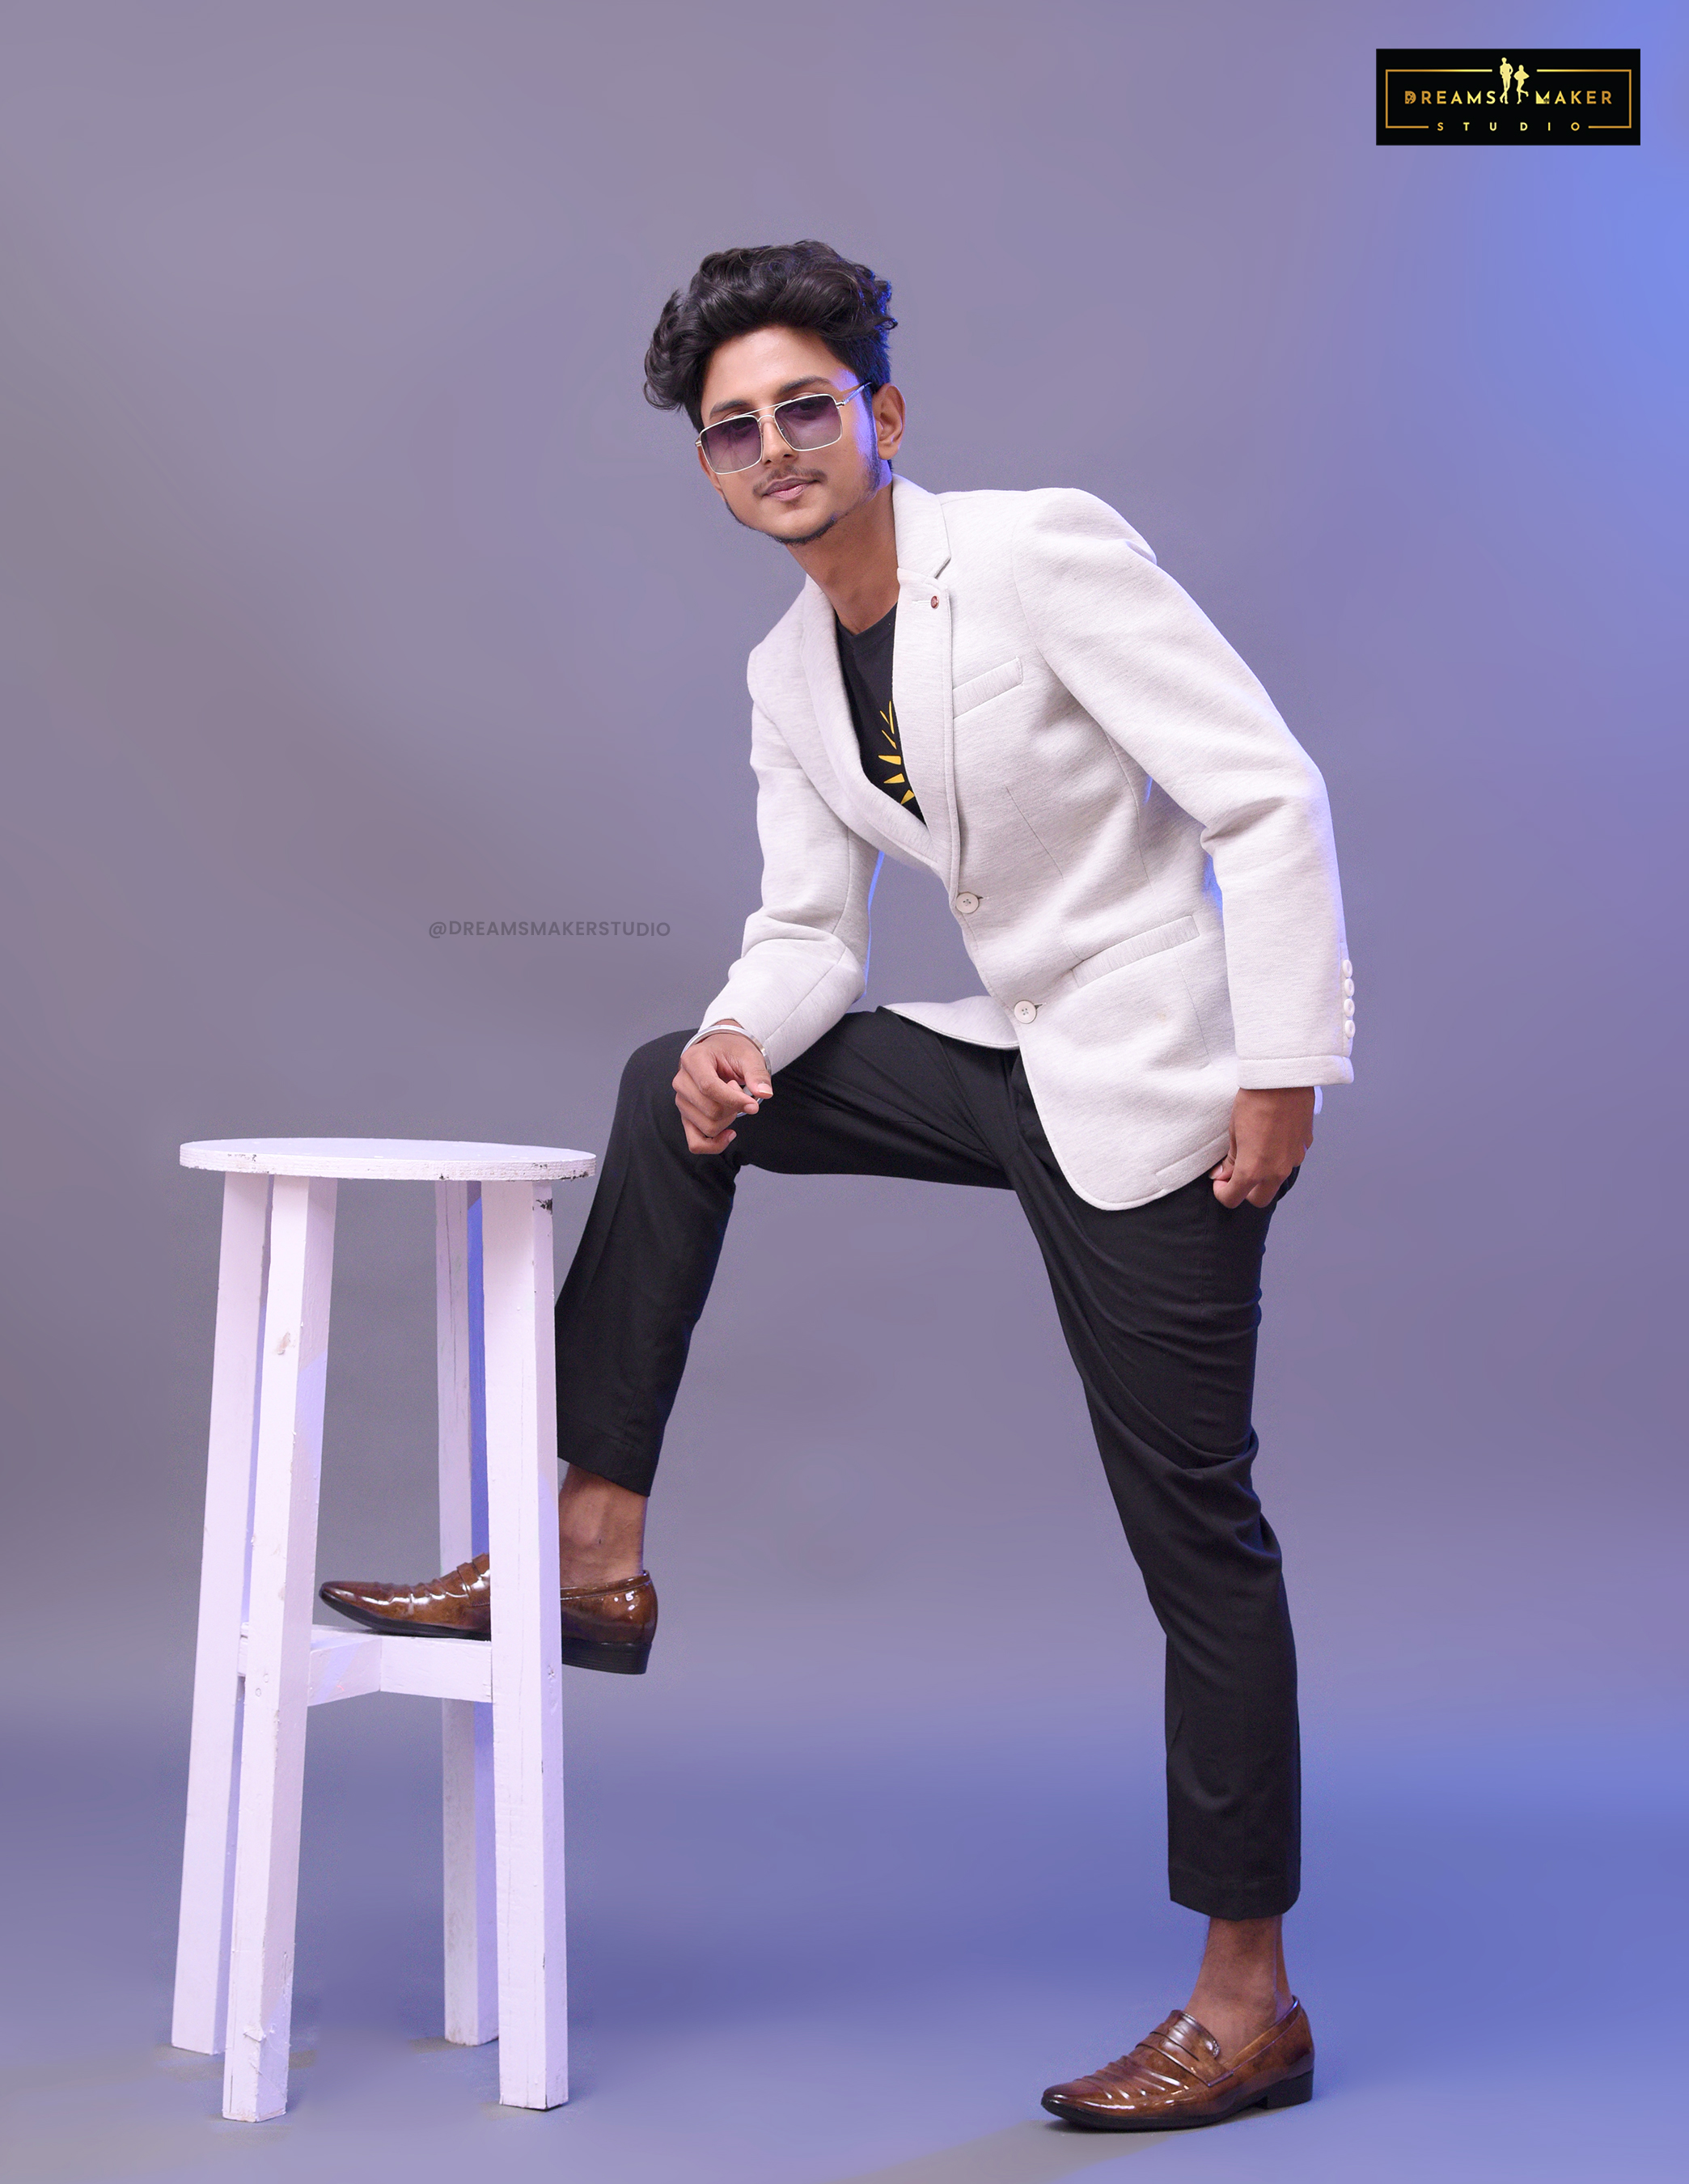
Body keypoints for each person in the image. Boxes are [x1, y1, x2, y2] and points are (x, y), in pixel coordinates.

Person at [321, 240, 1354, 2131]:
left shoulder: (1036, 553)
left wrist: (1282, 1071)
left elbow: (1265, 794)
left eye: (809, 407)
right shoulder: (787, 671)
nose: (777, 447)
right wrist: (742, 1034)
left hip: (1157, 1084)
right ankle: (590, 1551)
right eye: (736, 429)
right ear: (710, 469)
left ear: (882, 413)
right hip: (1001, 1056)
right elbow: (811, 927)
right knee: (674, 1090)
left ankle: (1248, 2003)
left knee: (1195, 1532)